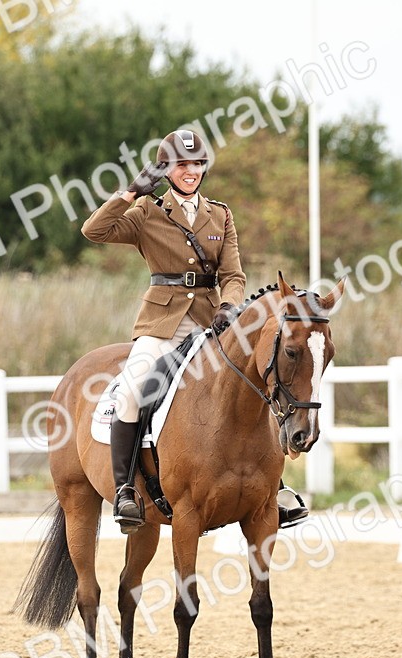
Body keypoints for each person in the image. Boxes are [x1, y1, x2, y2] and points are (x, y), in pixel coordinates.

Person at [81, 129, 307, 530]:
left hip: (209, 323)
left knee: (252, 387)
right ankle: (125, 491)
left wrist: (229, 305)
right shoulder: (148, 213)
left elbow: (233, 273)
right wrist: (130, 193)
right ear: (166, 170)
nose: (191, 172)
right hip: (160, 323)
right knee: (134, 391)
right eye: (182, 165)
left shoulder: (220, 215)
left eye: (197, 164)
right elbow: (94, 231)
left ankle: (277, 487)